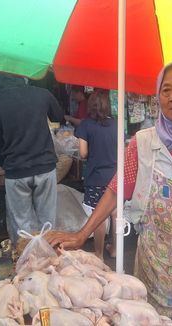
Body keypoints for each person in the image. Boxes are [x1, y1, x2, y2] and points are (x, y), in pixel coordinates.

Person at [49, 61, 172, 325]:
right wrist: (82, 233)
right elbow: (116, 190)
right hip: (154, 266)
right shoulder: (141, 143)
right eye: (166, 90)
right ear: (158, 95)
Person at [0, 85, 64, 244]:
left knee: (21, 225)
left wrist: (5, 164)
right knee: (47, 221)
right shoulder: (42, 93)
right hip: (44, 166)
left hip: (15, 170)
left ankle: (26, 262)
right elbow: (58, 116)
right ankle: (48, 261)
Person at [75, 89, 118, 259]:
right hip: (115, 177)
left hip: (96, 177)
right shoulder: (116, 124)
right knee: (115, 214)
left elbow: (83, 153)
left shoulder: (86, 125)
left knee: (99, 215)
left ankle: (98, 254)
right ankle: (115, 249)